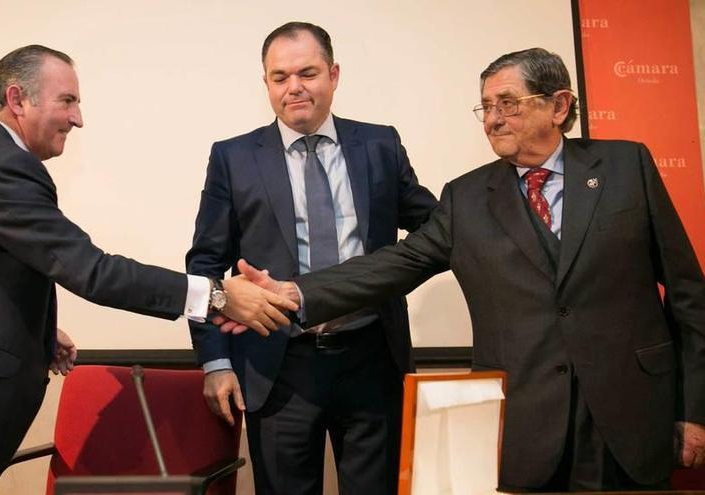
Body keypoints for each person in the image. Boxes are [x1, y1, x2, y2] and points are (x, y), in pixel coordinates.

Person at [0, 45, 295, 495]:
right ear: (17, 99)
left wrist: (41, 332)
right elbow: (92, 271)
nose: (78, 117)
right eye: (67, 100)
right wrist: (215, 296)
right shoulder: (0, 169)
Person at [239, 47, 705, 492]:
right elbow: (395, 264)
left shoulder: (627, 167)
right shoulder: (466, 199)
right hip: (527, 425)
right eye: (486, 107)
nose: (495, 119)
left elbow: (689, 298)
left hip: (632, 413)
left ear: (559, 105)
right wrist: (296, 292)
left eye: (509, 103)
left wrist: (695, 410)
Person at [186, 22, 436, 495]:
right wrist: (215, 362)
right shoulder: (234, 157)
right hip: (277, 365)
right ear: (266, 84)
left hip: (372, 359)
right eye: (280, 77)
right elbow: (204, 265)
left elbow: (434, 230)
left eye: (307, 72)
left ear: (334, 74)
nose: (294, 87)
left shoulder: (380, 145)